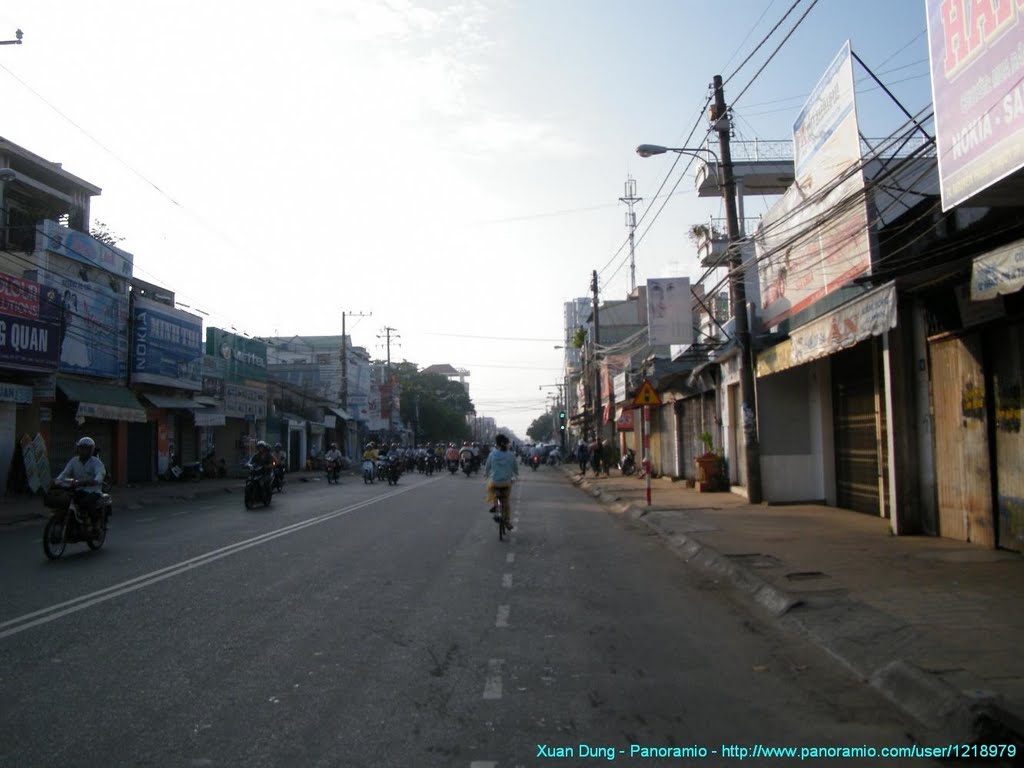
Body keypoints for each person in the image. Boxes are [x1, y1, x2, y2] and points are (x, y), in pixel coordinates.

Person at [56, 436, 106, 529]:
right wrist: (58, 481)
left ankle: (95, 524)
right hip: (78, 489)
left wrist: (94, 481)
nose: (83, 451)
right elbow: (65, 473)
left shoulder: (96, 462)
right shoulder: (74, 461)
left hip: (93, 491)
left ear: (91, 450)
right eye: (81, 448)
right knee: (64, 500)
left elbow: (100, 473)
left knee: (87, 503)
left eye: (85, 449)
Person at [484, 433, 518, 530]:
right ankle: (507, 520)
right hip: (506, 483)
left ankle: (495, 505)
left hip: (495, 482)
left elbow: (487, 467)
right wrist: (516, 474)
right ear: (506, 444)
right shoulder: (511, 455)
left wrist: (486, 474)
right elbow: (515, 468)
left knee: (491, 489)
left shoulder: (492, 454)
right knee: (506, 501)